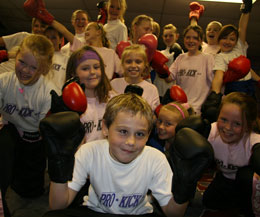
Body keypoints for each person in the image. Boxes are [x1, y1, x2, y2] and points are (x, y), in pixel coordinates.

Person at [40, 92, 214, 217]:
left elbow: (173, 213)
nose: (131, 142)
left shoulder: (155, 158)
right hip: (95, 211)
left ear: (148, 134)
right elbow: (57, 206)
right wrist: (59, 167)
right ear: (106, 128)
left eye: (140, 134)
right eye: (123, 131)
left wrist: (184, 186)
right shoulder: (89, 151)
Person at [0, 34, 55, 217]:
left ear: (44, 69)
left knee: (29, 191)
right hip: (10, 128)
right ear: (16, 56)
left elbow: (47, 131)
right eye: (22, 62)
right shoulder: (4, 80)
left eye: (34, 67)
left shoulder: (48, 92)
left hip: (34, 138)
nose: (25, 70)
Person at [23, 0, 123, 80]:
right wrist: (47, 17)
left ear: (99, 32)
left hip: (104, 93)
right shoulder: (84, 49)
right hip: (85, 91)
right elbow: (65, 32)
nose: (85, 31)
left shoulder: (111, 53)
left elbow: (124, 71)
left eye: (88, 29)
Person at [202, 92, 260, 216]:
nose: (228, 127)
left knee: (246, 176)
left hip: (248, 185)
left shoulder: (254, 139)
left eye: (237, 124)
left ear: (247, 126)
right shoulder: (212, 131)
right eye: (223, 119)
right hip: (225, 177)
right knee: (208, 201)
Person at [65, 45, 117, 143]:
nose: (92, 72)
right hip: (82, 155)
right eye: (85, 69)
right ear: (73, 73)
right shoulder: (68, 104)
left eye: (96, 67)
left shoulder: (112, 99)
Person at [164, 25, 214, 114]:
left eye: (195, 38)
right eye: (188, 37)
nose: (191, 41)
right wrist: (159, 67)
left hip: (197, 110)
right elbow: (169, 78)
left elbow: (214, 84)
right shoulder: (180, 58)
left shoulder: (207, 58)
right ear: (184, 39)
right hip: (180, 109)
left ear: (201, 41)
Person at [111, 44, 160, 111]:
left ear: (145, 64)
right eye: (128, 62)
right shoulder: (114, 84)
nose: (133, 65)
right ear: (122, 64)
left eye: (138, 62)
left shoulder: (152, 89)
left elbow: (153, 117)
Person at [153, 24, 183, 99]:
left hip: (173, 92)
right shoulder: (158, 53)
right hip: (158, 90)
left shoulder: (181, 54)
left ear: (177, 36)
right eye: (166, 36)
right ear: (162, 37)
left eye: (171, 35)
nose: (168, 38)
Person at [44, 26, 69, 92]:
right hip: (40, 97)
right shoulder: (38, 57)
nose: (49, 41)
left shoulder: (66, 59)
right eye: (47, 37)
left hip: (58, 97)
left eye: (53, 38)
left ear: (60, 40)